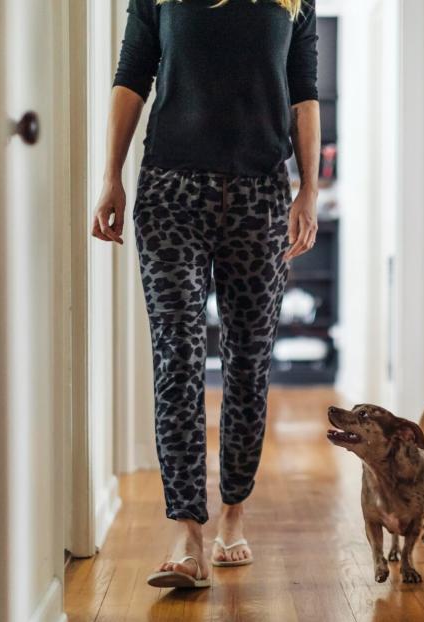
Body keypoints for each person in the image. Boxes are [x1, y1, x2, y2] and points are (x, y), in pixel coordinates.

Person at [91, 0, 320, 588]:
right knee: (180, 357)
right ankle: (187, 531)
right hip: (171, 191)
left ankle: (232, 517)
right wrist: (111, 175)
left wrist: (309, 194)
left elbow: (304, 92)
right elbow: (131, 75)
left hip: (261, 194)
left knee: (247, 363)